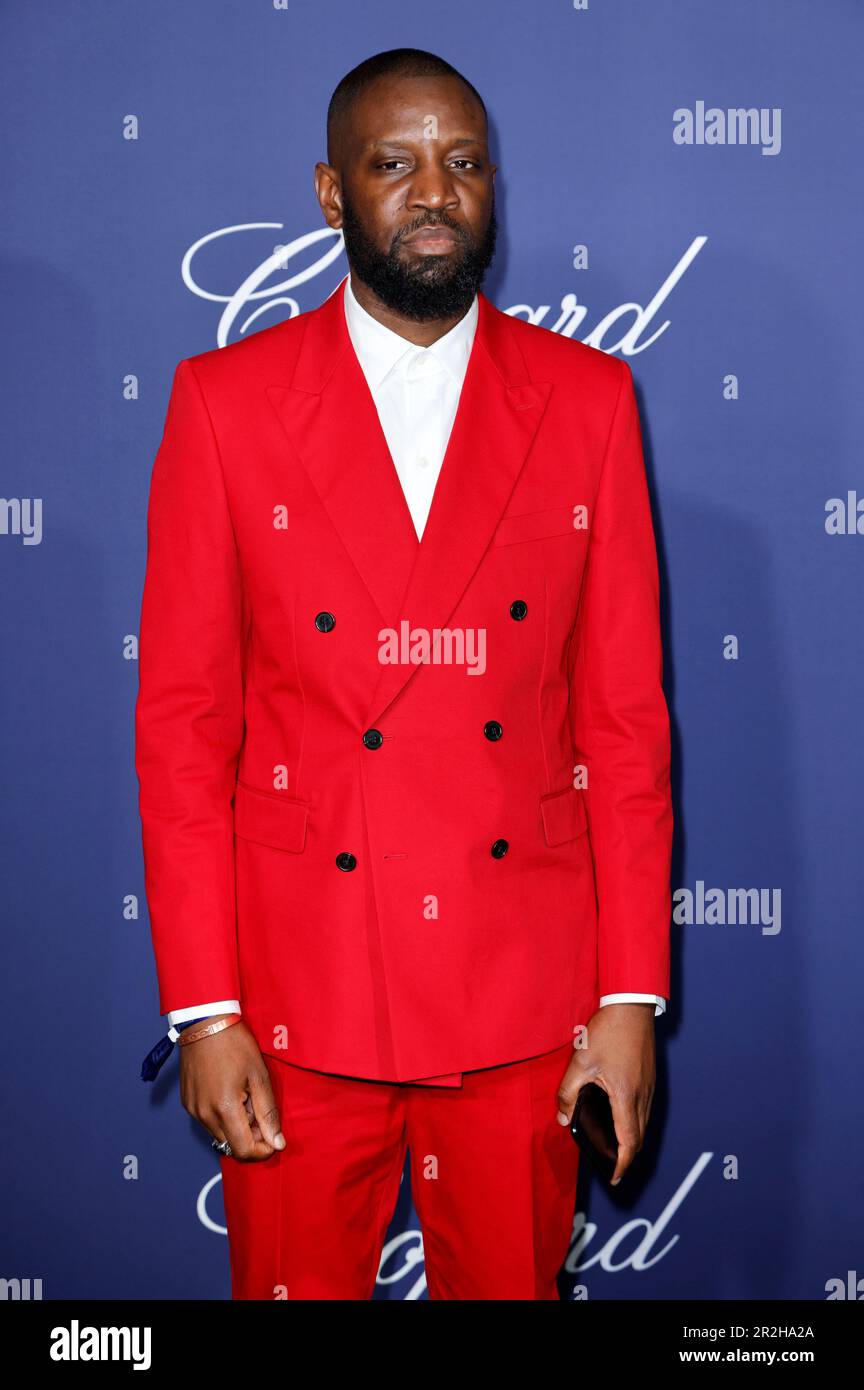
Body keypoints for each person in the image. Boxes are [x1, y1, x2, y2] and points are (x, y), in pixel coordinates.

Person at [135, 46, 673, 1301]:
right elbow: (183, 727)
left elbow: (626, 725)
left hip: (524, 995)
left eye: (465, 163)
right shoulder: (225, 405)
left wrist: (629, 995)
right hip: (296, 996)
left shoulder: (589, 402)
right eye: (395, 164)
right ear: (331, 193)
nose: (436, 192)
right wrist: (206, 1012)